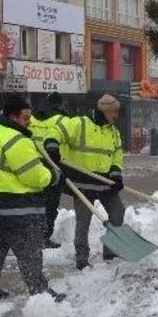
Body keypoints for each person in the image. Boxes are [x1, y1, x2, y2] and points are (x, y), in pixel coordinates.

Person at [0, 95, 66, 302]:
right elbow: (35, 177)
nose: (29, 122)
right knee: (30, 253)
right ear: (12, 117)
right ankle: (40, 294)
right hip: (16, 209)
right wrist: (53, 175)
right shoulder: (17, 141)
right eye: (25, 118)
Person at [55, 94, 125, 270]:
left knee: (118, 213)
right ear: (104, 111)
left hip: (105, 182)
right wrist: (51, 144)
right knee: (83, 222)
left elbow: (117, 154)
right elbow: (57, 132)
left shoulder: (113, 131)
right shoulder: (80, 123)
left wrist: (116, 173)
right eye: (113, 112)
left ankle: (111, 250)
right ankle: (82, 258)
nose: (116, 116)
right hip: (83, 183)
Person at [29, 92, 67, 249]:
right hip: (53, 165)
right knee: (50, 205)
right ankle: (44, 237)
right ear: (60, 104)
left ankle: (30, 235)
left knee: (34, 203)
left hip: (32, 165)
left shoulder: (31, 116)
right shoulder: (62, 119)